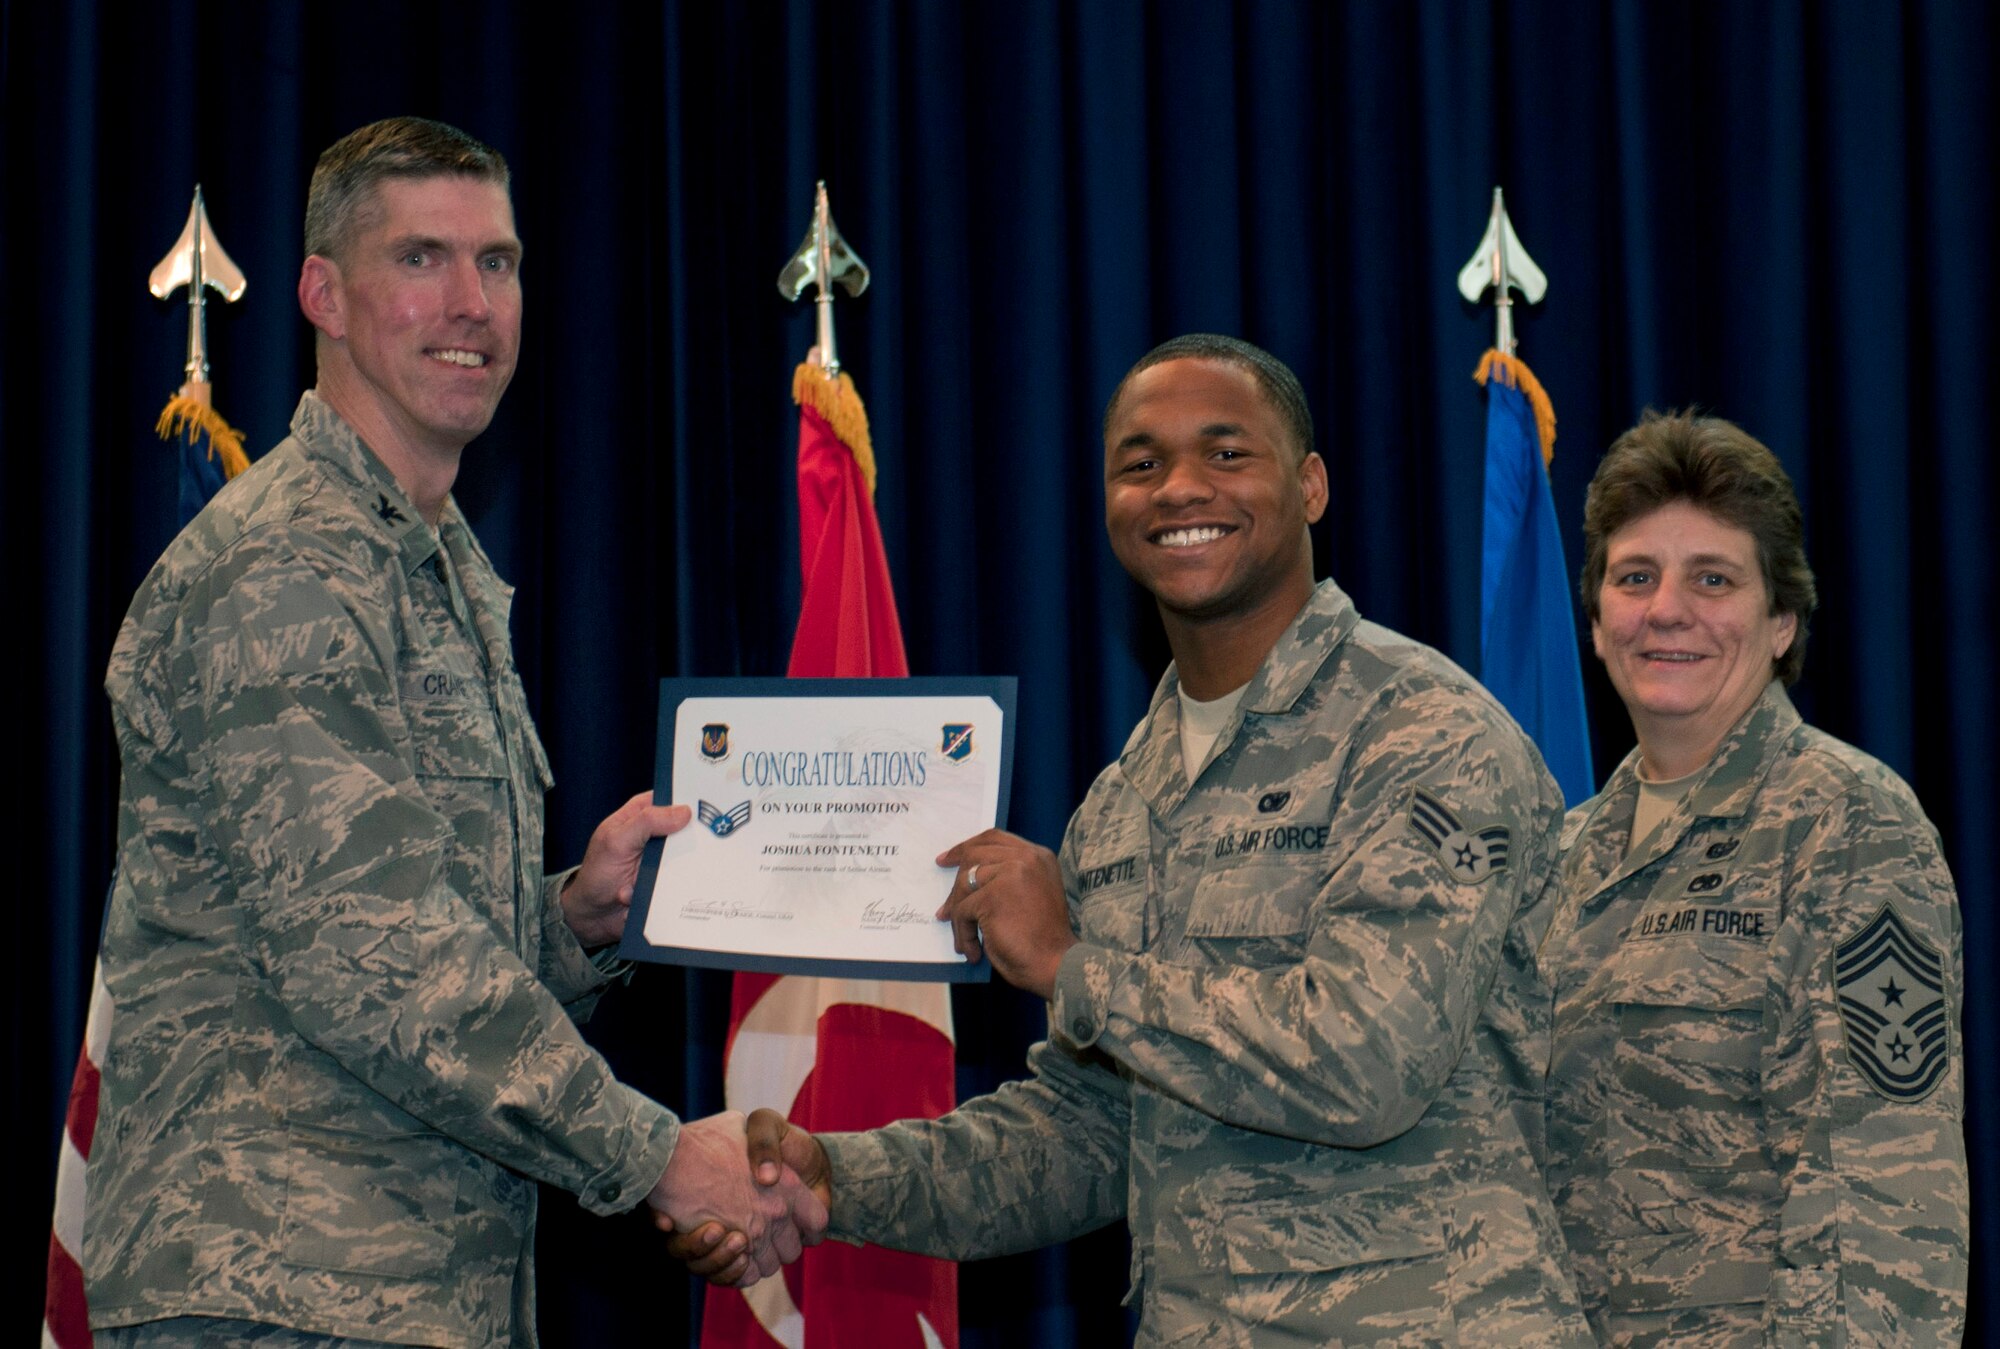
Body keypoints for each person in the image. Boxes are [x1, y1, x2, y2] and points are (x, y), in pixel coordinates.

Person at [675, 334, 1594, 1344]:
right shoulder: (1125, 798)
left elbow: (1366, 1058)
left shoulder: (1423, 732)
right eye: (1139, 462)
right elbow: (1091, 1127)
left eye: (1225, 451)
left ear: (1312, 486)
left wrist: (1072, 962)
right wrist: (834, 1177)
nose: (1178, 487)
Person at [83, 117, 820, 1348]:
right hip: (276, 1285)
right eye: (422, 258)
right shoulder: (285, 566)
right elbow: (376, 954)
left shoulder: (435, 564)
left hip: (407, 1287)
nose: (472, 304)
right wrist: (655, 1156)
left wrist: (573, 918)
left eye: (501, 262)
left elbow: (371, 928)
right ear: (322, 291)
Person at [1542, 410, 1968, 1344]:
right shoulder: (1558, 858)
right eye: (1636, 577)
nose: (1667, 610)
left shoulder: (1850, 822)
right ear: (1598, 620)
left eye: (1714, 579)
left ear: (1781, 621)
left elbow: (1885, 1202)